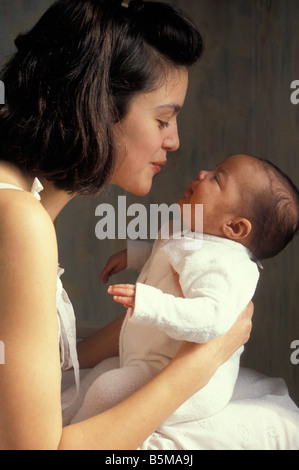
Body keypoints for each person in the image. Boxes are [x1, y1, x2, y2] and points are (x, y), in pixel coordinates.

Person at [0, 0, 254, 450]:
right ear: (98, 107)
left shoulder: (26, 202)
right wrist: (201, 363)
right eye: (162, 119)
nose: (173, 141)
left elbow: (25, 361)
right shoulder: (18, 218)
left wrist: (164, 315)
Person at [70, 153, 299, 426]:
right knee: (98, 376)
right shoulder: (196, 234)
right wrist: (133, 256)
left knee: (107, 389)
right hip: (148, 360)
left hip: (186, 380)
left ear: (235, 227)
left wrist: (150, 303)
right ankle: (60, 424)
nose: (202, 173)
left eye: (217, 178)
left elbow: (211, 319)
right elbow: (171, 255)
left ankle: (76, 436)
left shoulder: (227, 265)